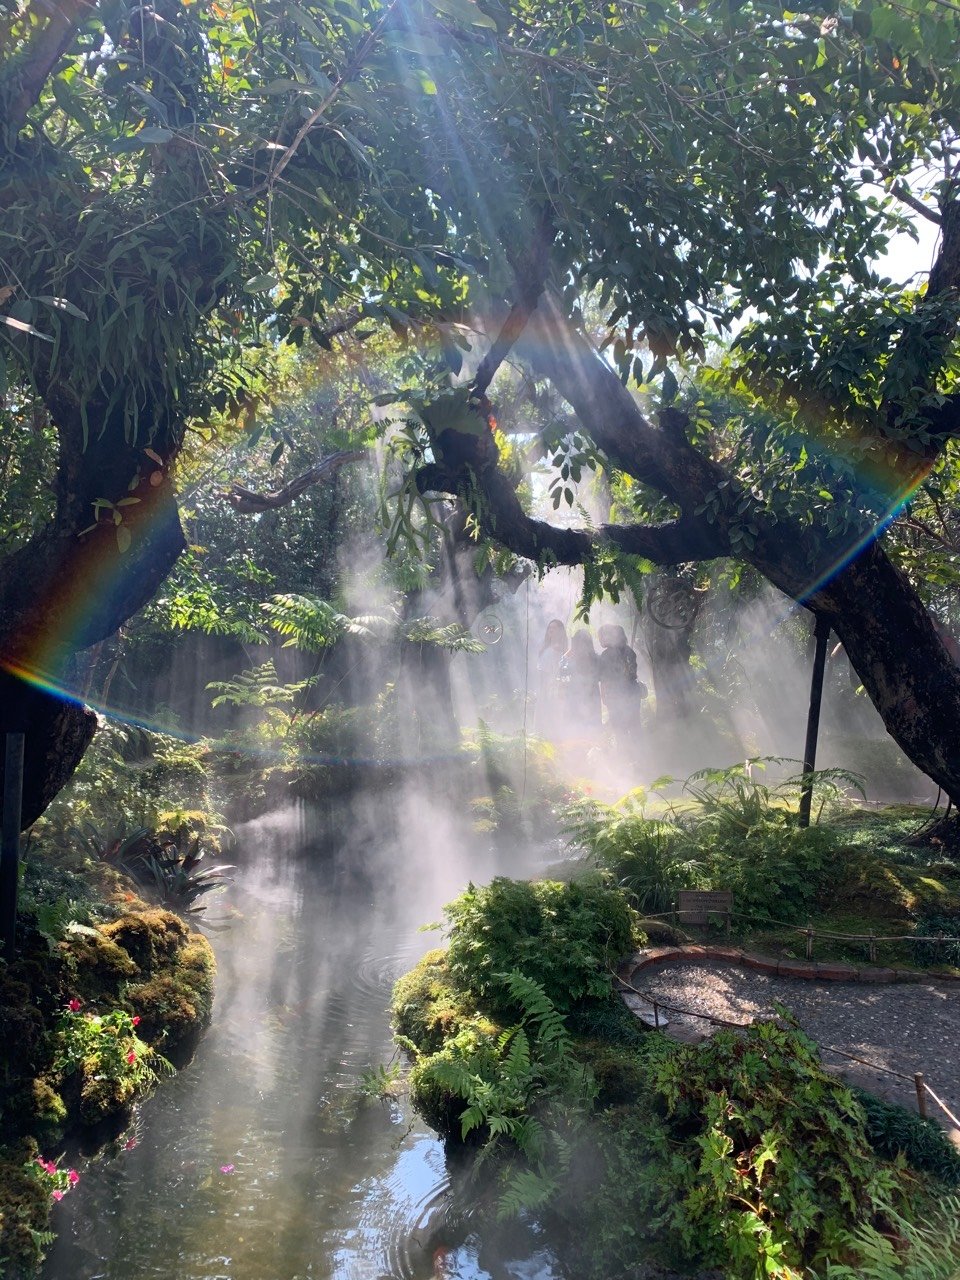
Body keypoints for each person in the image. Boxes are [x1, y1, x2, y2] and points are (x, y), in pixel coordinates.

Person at [598, 623, 647, 754]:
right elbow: (633, 673)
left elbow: (604, 679)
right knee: (635, 725)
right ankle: (641, 757)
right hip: (632, 693)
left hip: (616, 695)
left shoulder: (606, 655)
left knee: (620, 728)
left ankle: (624, 757)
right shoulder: (630, 651)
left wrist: (604, 696)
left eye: (602, 635)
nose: (600, 639)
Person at [559, 629, 602, 738]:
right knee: (581, 728)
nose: (582, 645)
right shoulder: (595, 658)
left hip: (585, 697)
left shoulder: (593, 658)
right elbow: (562, 675)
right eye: (580, 642)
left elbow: (562, 672)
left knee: (586, 729)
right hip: (580, 697)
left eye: (584, 642)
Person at [535, 618, 568, 738]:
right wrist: (543, 693)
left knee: (556, 723)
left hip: (559, 692)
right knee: (542, 723)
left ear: (560, 631)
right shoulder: (545, 650)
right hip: (545, 691)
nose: (551, 630)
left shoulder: (564, 651)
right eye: (549, 627)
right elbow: (542, 675)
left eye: (554, 628)